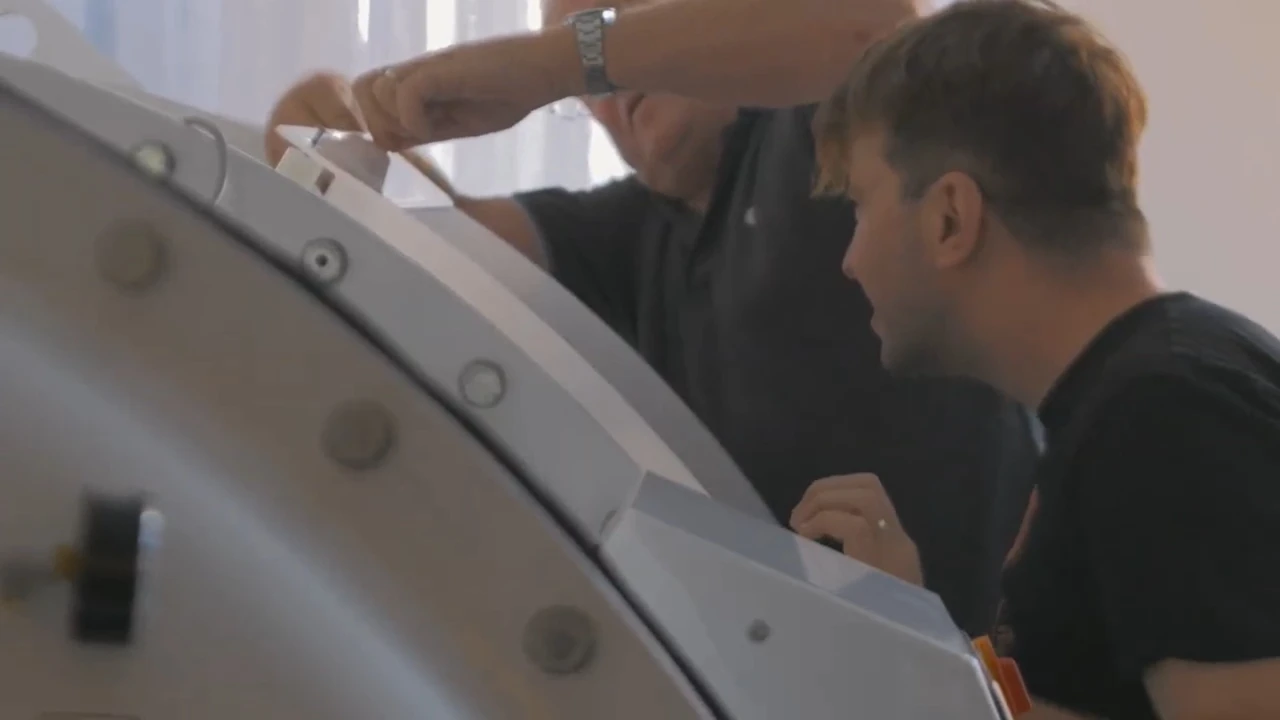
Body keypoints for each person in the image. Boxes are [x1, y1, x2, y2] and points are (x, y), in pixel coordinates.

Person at [266, 0, 1041, 637]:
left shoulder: (817, 128)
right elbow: (427, 246)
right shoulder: (632, 234)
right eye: (585, 96)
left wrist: (556, 60)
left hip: (998, 678)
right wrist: (322, 127)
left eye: (614, 19)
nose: (602, 95)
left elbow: (872, 30)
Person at [784, 1, 1280, 718]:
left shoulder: (1166, 417)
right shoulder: (1141, 395)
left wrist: (927, 672)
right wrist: (925, 643)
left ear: (951, 216)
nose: (850, 261)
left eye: (861, 205)